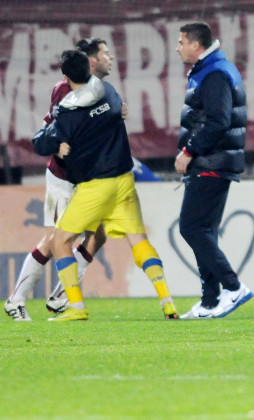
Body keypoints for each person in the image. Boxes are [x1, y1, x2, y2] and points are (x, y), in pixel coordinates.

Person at [32, 50, 179, 321]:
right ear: (89, 68)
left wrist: (55, 143)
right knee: (138, 241)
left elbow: (40, 142)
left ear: (65, 77)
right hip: (124, 181)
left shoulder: (67, 114)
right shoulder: (109, 93)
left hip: (95, 186)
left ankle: (76, 307)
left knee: (61, 241)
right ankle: (167, 301)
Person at [4, 38, 116, 321]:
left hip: (86, 178)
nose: (110, 58)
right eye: (105, 54)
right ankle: (16, 300)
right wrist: (56, 144)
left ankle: (60, 295)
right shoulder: (64, 90)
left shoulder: (101, 91)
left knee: (98, 235)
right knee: (55, 238)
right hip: (63, 177)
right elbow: (50, 127)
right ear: (91, 61)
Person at [175, 22, 253, 319]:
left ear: (196, 45)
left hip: (212, 162)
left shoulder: (214, 73)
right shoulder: (213, 69)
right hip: (215, 161)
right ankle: (210, 300)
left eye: (181, 41)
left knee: (191, 228)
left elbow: (218, 121)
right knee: (203, 230)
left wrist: (189, 151)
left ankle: (233, 288)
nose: (178, 47)